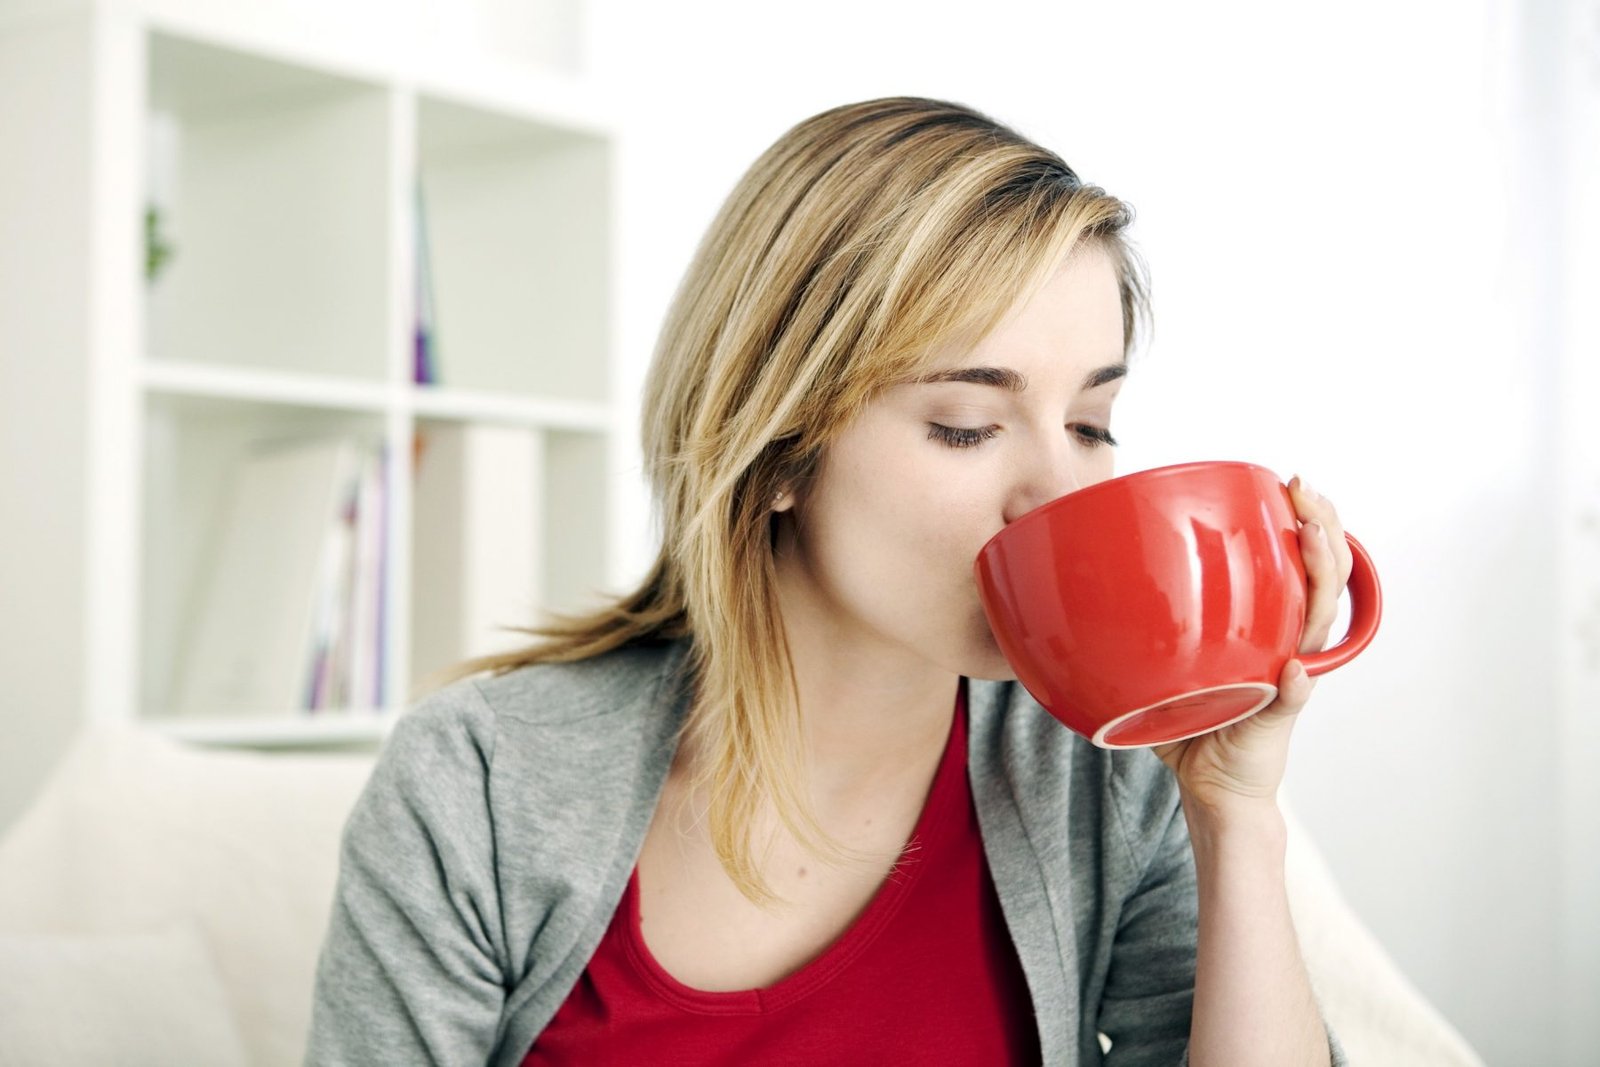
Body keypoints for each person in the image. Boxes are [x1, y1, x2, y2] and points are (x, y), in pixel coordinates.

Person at [305, 96, 1352, 1066]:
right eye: (966, 424)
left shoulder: (1098, 772)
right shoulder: (481, 786)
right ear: (774, 450)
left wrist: (1234, 814)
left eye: (1090, 425)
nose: (1057, 492)